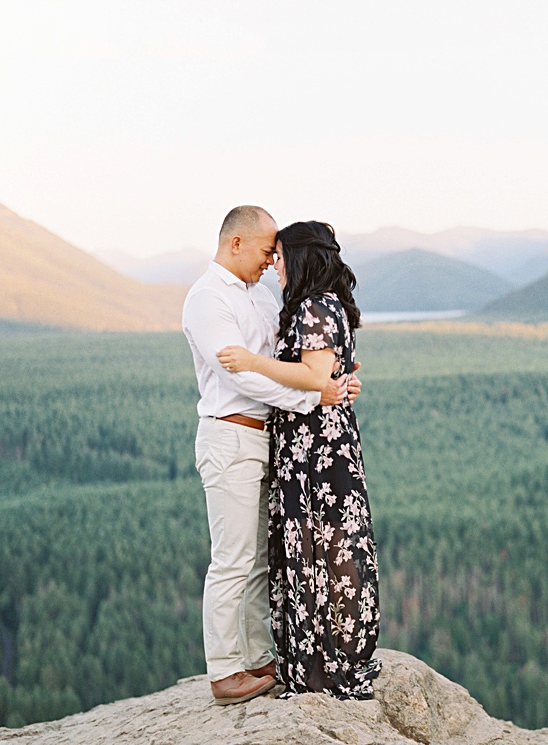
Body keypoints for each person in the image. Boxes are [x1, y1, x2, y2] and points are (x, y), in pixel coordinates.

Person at [181, 206, 355, 705]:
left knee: (261, 559)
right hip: (230, 436)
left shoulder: (259, 295)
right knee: (231, 560)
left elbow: (287, 363)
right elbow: (241, 374)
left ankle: (260, 657)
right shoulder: (207, 299)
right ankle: (223, 670)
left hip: (270, 437)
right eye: (264, 252)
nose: (269, 262)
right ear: (236, 243)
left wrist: (332, 379)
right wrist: (313, 396)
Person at [216, 220, 381, 699]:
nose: (275, 266)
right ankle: (330, 659)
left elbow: (312, 374)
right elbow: (335, 374)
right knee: (328, 550)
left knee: (318, 550)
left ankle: (323, 667)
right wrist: (339, 383)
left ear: (303, 258)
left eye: (282, 257)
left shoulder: (312, 306)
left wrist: (251, 361)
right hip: (321, 444)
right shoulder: (328, 304)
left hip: (314, 451)